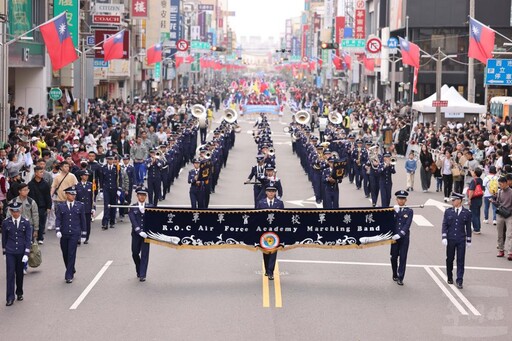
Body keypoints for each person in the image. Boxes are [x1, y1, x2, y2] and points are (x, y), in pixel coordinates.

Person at [55, 186, 87, 283]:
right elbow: (58, 219)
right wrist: (57, 230)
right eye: (71, 194)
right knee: (65, 253)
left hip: (74, 233)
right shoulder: (61, 206)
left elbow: (83, 220)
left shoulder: (80, 205)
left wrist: (83, 234)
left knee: (71, 253)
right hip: (64, 233)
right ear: (66, 195)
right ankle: (71, 268)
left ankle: (68, 275)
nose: (73, 196)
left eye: (74, 194)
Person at [2, 202, 31, 306]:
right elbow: (4, 238)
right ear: (10, 211)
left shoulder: (26, 222)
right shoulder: (6, 222)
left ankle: (19, 292)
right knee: (10, 274)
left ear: (21, 210)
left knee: (19, 273)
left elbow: (28, 239)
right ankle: (10, 297)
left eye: (17, 211)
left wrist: (26, 253)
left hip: (21, 251)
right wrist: (4, 252)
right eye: (13, 211)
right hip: (10, 251)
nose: (15, 213)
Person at [441, 192, 472, 289]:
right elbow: (444, 224)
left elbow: (468, 227)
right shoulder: (448, 211)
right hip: (450, 238)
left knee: (460, 260)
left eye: (454, 200)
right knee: (450, 259)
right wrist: (444, 237)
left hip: (461, 238)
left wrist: (468, 240)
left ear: (459, 201)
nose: (452, 202)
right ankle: (449, 276)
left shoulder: (466, 213)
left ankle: (459, 280)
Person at [256, 186, 284, 280]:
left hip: (275, 231)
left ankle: (270, 271)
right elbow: (257, 216)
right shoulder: (261, 203)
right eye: (269, 191)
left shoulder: (279, 203)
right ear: (266, 193)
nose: (271, 193)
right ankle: (267, 269)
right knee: (266, 251)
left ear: (275, 193)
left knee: (273, 251)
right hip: (264, 231)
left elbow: (283, 216)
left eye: (273, 192)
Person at [128, 187, 152, 282]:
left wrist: (149, 231)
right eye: (140, 195)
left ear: (146, 196)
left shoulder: (150, 206)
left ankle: (142, 274)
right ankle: (138, 268)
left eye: (144, 195)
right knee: (134, 253)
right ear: (137, 196)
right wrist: (139, 231)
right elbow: (133, 220)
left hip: (146, 235)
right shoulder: (133, 207)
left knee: (145, 254)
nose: (142, 197)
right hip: (136, 234)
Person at [390, 190, 413, 286]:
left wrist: (401, 234)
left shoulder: (409, 211)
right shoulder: (392, 210)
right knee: (393, 257)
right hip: (394, 238)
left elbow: (407, 224)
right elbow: (390, 222)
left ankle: (400, 277)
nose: (401, 200)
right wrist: (395, 212)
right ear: (396, 199)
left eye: (403, 199)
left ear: (406, 200)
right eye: (399, 198)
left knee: (403, 258)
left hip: (404, 238)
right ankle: (395, 272)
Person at [28, 166, 52, 244]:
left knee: (42, 222)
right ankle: (31, 238)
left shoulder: (45, 184)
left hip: (42, 206)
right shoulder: (30, 184)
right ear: (35, 173)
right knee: (32, 222)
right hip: (32, 206)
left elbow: (48, 196)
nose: (42, 174)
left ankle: (40, 237)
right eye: (40, 172)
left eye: (42, 172)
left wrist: (49, 206)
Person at [493, 177, 512, 259]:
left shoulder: (511, 192)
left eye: (501, 184)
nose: (500, 186)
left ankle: (510, 252)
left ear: (506, 183)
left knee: (510, 234)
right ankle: (501, 250)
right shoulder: (499, 192)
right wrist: (493, 201)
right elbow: (498, 203)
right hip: (500, 215)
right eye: (499, 184)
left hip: (510, 215)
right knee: (500, 234)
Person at [100, 152, 120, 230]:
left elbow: (119, 179)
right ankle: (105, 222)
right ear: (106, 159)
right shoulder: (103, 168)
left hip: (114, 188)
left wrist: (119, 189)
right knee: (106, 205)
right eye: (109, 159)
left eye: (111, 159)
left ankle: (112, 221)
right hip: (106, 188)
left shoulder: (116, 168)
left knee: (113, 205)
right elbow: (101, 179)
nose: (110, 160)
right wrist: (101, 190)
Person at [75, 170, 95, 244]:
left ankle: (86, 237)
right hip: (79, 208)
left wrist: (93, 208)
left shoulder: (91, 185)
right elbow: (76, 198)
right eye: (85, 175)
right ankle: (78, 237)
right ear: (81, 176)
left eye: (87, 175)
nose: (86, 176)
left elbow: (92, 198)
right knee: (78, 223)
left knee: (87, 224)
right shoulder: (77, 185)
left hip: (87, 207)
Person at [467, 167, 484, 234]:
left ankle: (476, 229)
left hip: (474, 199)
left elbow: (471, 190)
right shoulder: (480, 180)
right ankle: (478, 227)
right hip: (479, 198)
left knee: (474, 214)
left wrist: (469, 199)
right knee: (477, 214)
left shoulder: (473, 181)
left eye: (473, 171)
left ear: (475, 174)